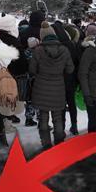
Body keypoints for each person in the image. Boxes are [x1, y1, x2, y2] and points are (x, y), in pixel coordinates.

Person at [29, 22, 74, 150]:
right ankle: (59, 142)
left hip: (41, 88)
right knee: (58, 117)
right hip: (58, 89)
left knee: (43, 118)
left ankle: (46, 144)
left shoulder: (38, 50)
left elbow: (32, 70)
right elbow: (70, 69)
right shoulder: (64, 50)